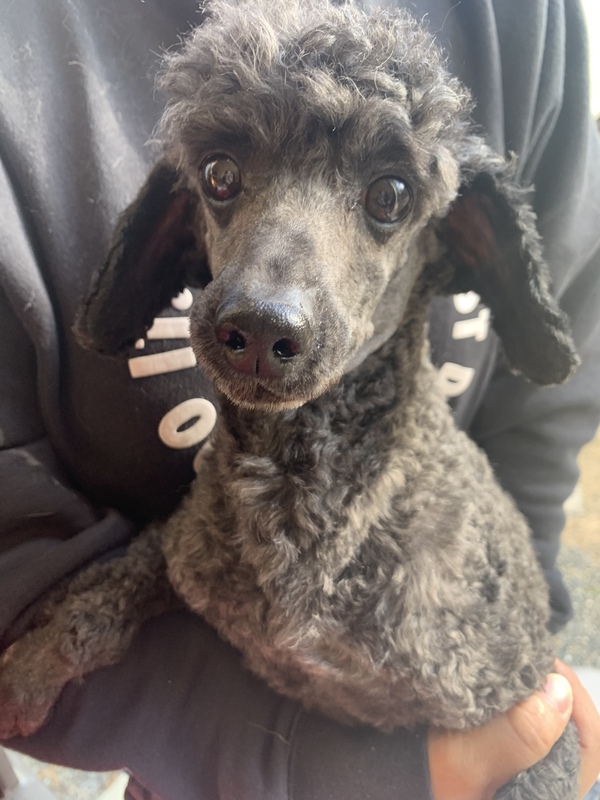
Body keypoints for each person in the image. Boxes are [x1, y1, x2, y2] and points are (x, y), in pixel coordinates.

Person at [0, 0, 599, 798]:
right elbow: (172, 557)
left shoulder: (524, 20)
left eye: (387, 197)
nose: (267, 301)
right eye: (224, 177)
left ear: (453, 235)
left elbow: (537, 737)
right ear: (181, 221)